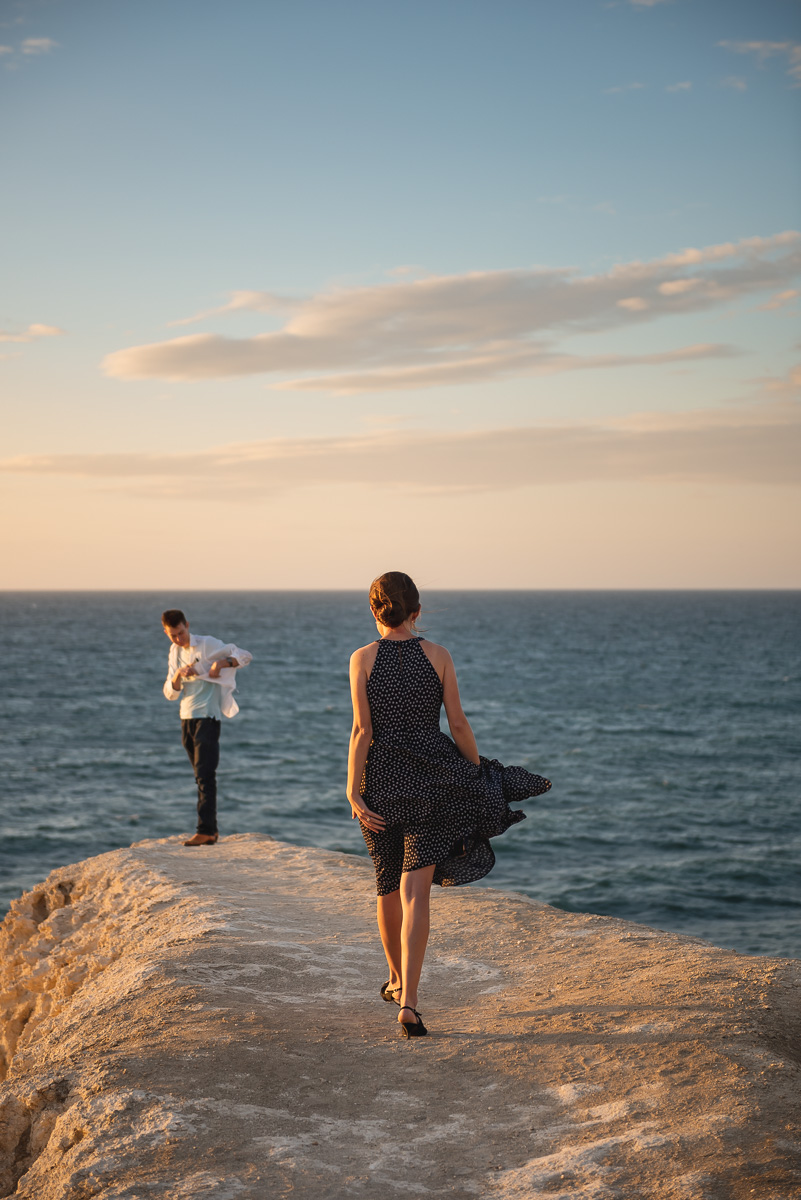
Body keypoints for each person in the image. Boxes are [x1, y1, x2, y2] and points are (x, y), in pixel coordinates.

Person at [347, 572, 551, 1038]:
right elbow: (458, 724)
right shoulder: (438, 655)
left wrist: (352, 790)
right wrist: (478, 773)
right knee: (415, 891)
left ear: (375, 611)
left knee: (385, 884)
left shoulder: (361, 659)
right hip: (434, 782)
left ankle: (396, 981)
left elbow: (363, 732)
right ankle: (411, 1004)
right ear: (416, 611)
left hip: (380, 782)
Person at [162, 609, 252, 846]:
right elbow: (170, 693)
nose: (178, 639)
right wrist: (179, 676)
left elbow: (244, 656)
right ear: (166, 633)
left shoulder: (207, 645)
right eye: (172, 635)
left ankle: (205, 830)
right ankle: (210, 830)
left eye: (181, 633)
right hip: (187, 716)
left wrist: (221, 663)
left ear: (187, 625)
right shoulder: (174, 652)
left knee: (205, 774)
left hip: (208, 716)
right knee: (199, 776)